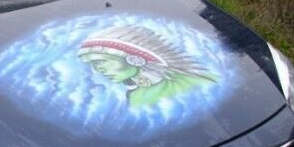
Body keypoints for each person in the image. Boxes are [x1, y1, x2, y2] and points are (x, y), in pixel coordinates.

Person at [78, 25, 216, 108]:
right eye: (92, 64)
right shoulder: (134, 94)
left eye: (100, 61)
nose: (96, 71)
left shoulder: (195, 82)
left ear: (134, 58)